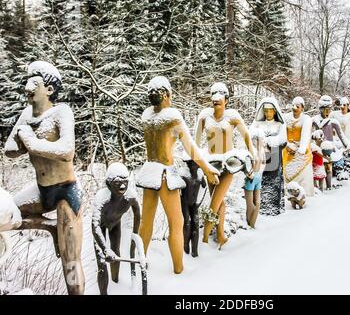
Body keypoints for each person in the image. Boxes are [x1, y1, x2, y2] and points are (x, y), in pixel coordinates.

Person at [4, 61, 85, 295]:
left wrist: (30, 142)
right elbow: (10, 150)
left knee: (70, 262)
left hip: (67, 193)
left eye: (34, 82)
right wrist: (21, 141)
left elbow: (67, 151)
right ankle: (50, 228)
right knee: (7, 215)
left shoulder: (61, 112)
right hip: (41, 191)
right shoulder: (26, 114)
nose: (28, 86)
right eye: (27, 81)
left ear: (49, 89)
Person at [137, 76, 219, 274]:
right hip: (165, 173)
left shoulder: (146, 116)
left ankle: (139, 263)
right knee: (177, 222)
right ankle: (178, 269)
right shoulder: (172, 116)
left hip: (149, 171)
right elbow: (190, 147)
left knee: (145, 222)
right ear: (166, 95)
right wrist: (207, 169)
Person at [195, 82, 256, 248]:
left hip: (228, 164)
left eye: (220, 96)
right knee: (219, 200)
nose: (216, 99)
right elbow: (194, 142)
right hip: (211, 164)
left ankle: (205, 240)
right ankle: (220, 235)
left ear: (226, 100)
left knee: (215, 201)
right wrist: (196, 160)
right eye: (214, 96)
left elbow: (247, 137)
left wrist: (252, 157)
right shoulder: (204, 116)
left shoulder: (232, 116)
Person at [92, 163, 141, 295]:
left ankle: (115, 280)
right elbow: (94, 225)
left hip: (115, 225)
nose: (122, 186)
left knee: (116, 252)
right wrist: (104, 249)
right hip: (100, 228)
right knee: (102, 261)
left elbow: (138, 214)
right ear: (108, 183)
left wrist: (134, 237)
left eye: (125, 182)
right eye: (118, 183)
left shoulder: (130, 196)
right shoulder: (102, 198)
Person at [250, 97, 287, 216]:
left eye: (270, 110)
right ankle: (259, 207)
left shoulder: (280, 124)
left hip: (274, 158)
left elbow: (283, 139)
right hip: (260, 158)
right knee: (259, 180)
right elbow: (250, 135)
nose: (268, 113)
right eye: (266, 110)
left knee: (273, 182)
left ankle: (273, 208)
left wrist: (269, 140)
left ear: (275, 111)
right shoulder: (257, 124)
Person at [282, 97, 314, 197]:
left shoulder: (306, 119)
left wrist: (301, 149)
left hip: (302, 155)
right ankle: (288, 195)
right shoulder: (285, 118)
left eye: (297, 106)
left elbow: (305, 135)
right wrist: (286, 144)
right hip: (287, 152)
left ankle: (306, 195)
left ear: (302, 108)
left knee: (303, 176)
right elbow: (282, 133)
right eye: (293, 106)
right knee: (287, 175)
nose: (294, 108)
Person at [180, 154, 207, 258]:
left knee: (195, 224)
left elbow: (204, 188)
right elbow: (176, 188)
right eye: (190, 163)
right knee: (187, 223)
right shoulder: (184, 174)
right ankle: (185, 246)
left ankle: (195, 251)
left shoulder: (200, 175)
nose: (192, 166)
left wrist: (199, 202)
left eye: (194, 164)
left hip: (194, 203)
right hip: (184, 203)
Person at [244, 128, 265, 229]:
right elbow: (245, 166)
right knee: (250, 205)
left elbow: (264, 163)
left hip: (257, 178)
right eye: (255, 139)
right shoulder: (248, 151)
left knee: (257, 203)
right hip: (251, 179)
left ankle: (252, 225)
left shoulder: (260, 152)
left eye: (258, 140)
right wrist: (249, 174)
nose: (257, 141)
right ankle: (250, 225)